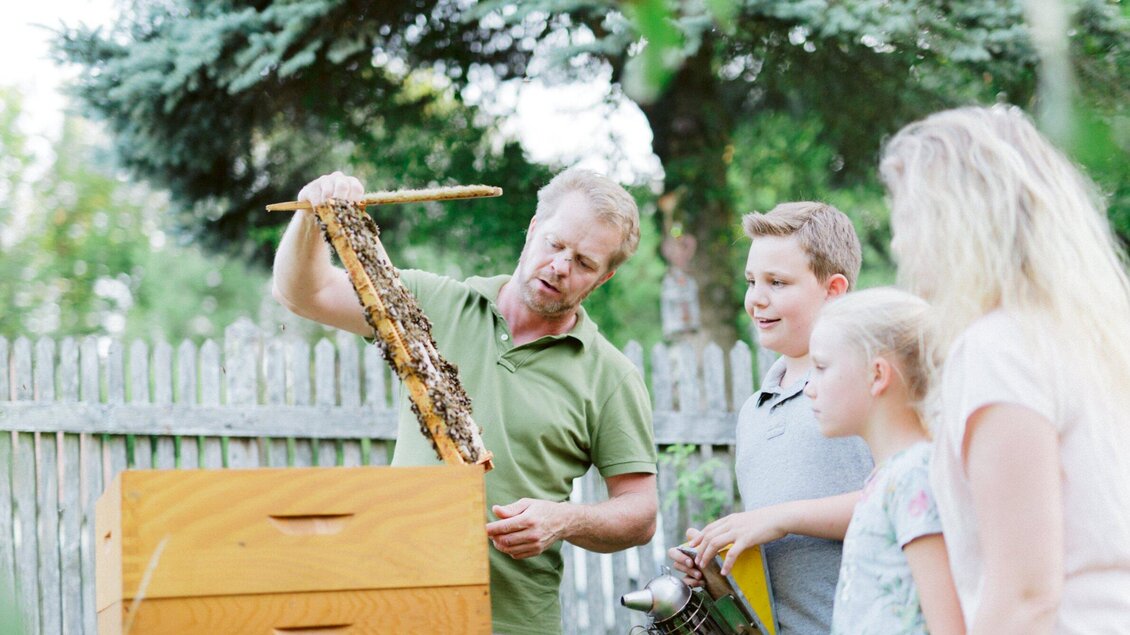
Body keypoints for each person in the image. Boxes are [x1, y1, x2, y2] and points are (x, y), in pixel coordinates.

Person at [272, 169, 658, 635]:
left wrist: (564, 519)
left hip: (512, 622)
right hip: (394, 607)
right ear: (534, 228)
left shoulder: (611, 376)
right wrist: (313, 214)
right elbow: (304, 293)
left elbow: (639, 512)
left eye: (583, 262)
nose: (560, 266)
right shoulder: (429, 304)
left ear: (604, 278)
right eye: (555, 245)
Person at [880, 105, 1130, 633]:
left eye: (905, 219)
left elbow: (1024, 594)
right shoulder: (1087, 336)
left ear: (952, 220)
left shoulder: (998, 348)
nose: (899, 244)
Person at [668, 202, 873, 634]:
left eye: (777, 283)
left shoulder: (867, 380)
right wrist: (718, 566)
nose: (756, 298)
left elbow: (905, 498)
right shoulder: (753, 411)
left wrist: (779, 517)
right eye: (751, 281)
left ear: (834, 290)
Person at [805, 287, 964, 635]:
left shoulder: (914, 476)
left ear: (877, 375)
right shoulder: (888, 476)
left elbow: (949, 625)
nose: (808, 388)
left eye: (820, 367)